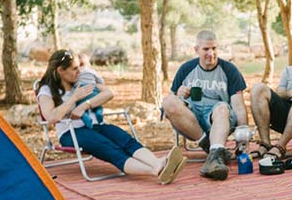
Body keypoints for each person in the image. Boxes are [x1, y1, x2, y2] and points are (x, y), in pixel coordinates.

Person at [37, 49, 184, 184]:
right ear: (61, 71)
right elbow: (51, 117)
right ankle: (155, 170)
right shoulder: (47, 90)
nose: (79, 71)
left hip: (95, 126)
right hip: (71, 133)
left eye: (79, 66)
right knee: (111, 149)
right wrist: (74, 98)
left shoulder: (82, 81)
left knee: (125, 140)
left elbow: (108, 93)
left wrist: (84, 105)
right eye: (74, 68)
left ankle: (159, 163)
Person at [162, 30, 249, 180]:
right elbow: (171, 102)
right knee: (168, 101)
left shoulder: (229, 70)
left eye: (214, 48)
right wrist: (179, 95)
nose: (211, 53)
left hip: (220, 119)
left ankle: (214, 157)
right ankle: (213, 149)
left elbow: (239, 106)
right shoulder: (186, 68)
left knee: (221, 108)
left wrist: (243, 139)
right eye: (206, 49)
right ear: (196, 50)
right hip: (192, 120)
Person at [77, 53, 104, 129]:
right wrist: (98, 84)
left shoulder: (77, 72)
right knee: (98, 104)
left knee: (80, 107)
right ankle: (98, 112)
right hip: (93, 90)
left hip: (81, 92)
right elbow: (100, 81)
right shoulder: (91, 71)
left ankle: (86, 117)